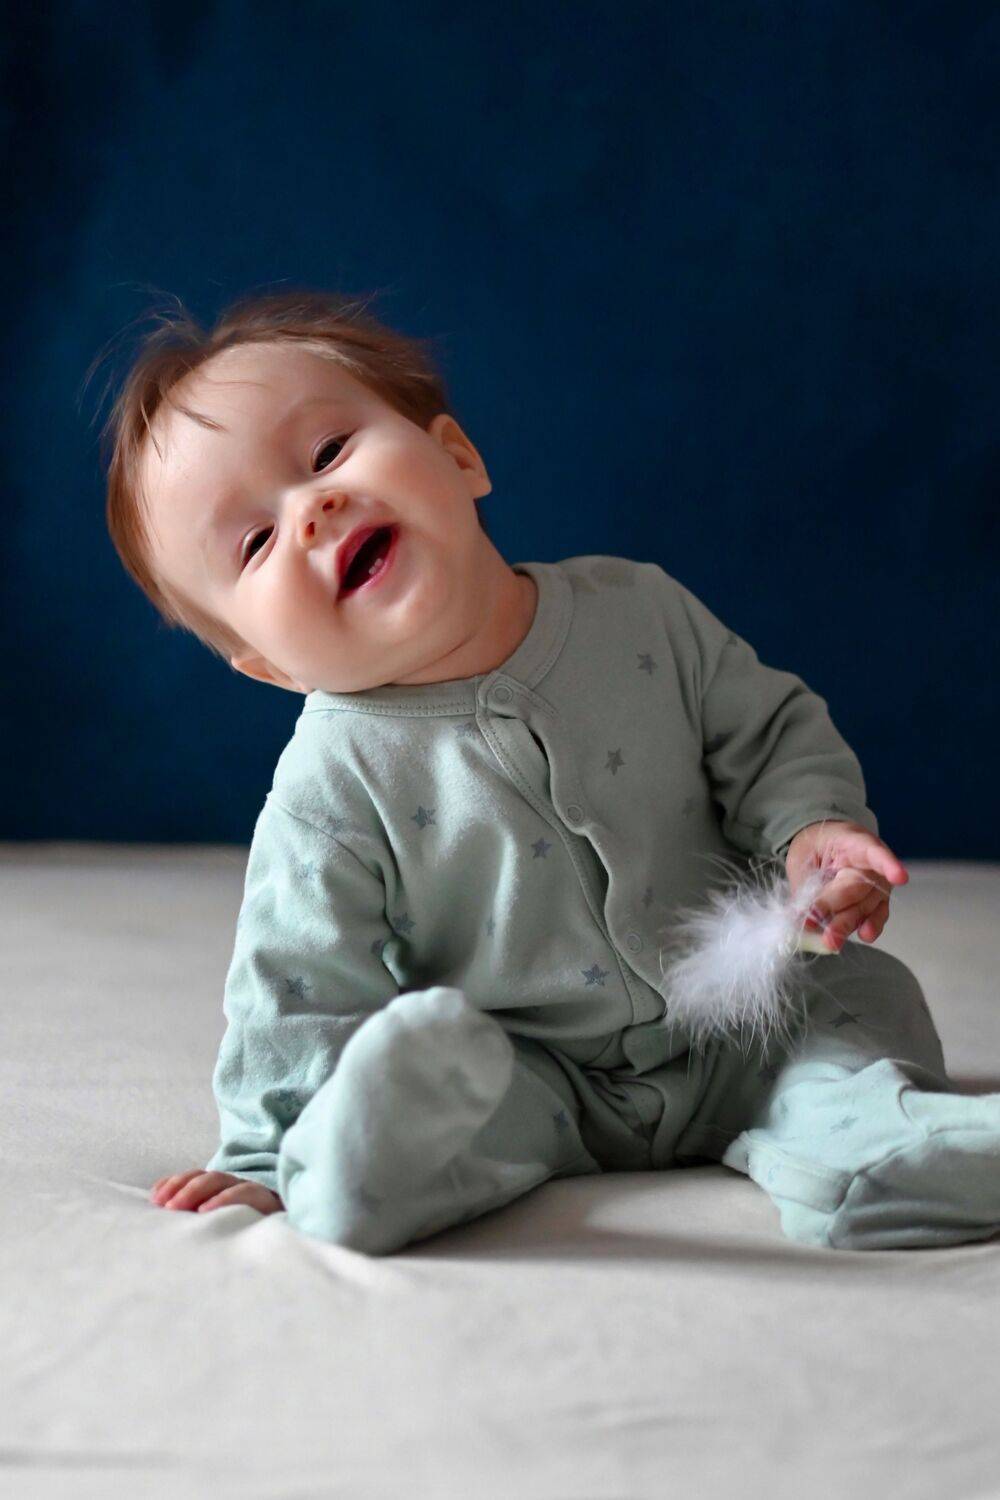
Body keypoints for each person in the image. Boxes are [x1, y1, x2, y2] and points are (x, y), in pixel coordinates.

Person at [99, 289, 998, 1254]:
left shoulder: (639, 612)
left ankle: (879, 1154)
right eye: (256, 542)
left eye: (327, 453)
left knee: (855, 1020)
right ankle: (360, 1158)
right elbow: (295, 986)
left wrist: (813, 831)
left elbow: (768, 732)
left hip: (754, 1017)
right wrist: (264, 1154)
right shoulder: (330, 789)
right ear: (271, 668)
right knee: (446, 1092)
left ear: (458, 457)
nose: (311, 511)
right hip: (534, 1073)